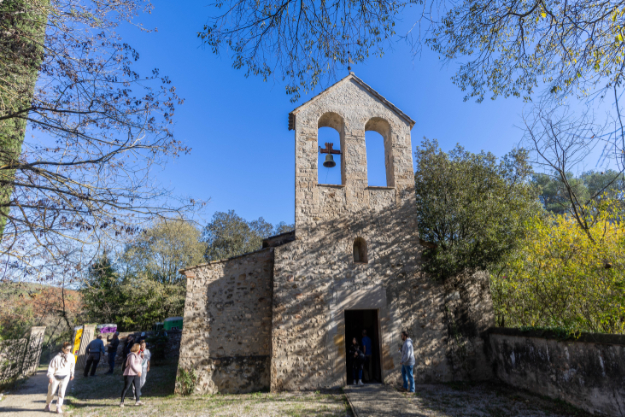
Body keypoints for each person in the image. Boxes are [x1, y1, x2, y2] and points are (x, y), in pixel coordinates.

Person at [45, 342, 75, 414]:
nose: (68, 351)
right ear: (63, 349)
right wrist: (50, 376)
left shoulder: (71, 356)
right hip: (56, 376)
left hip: (65, 376)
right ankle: (48, 404)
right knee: (51, 392)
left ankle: (58, 407)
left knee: (62, 392)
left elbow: (72, 366)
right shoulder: (57, 357)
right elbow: (51, 367)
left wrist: (72, 374)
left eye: (70, 349)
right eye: (67, 349)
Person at [120, 343, 143, 407]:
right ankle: (122, 402)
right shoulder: (131, 355)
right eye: (139, 347)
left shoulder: (137, 355)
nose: (140, 349)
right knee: (126, 387)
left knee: (137, 387)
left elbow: (139, 364)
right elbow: (132, 365)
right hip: (129, 373)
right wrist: (137, 371)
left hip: (136, 374)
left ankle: (137, 400)